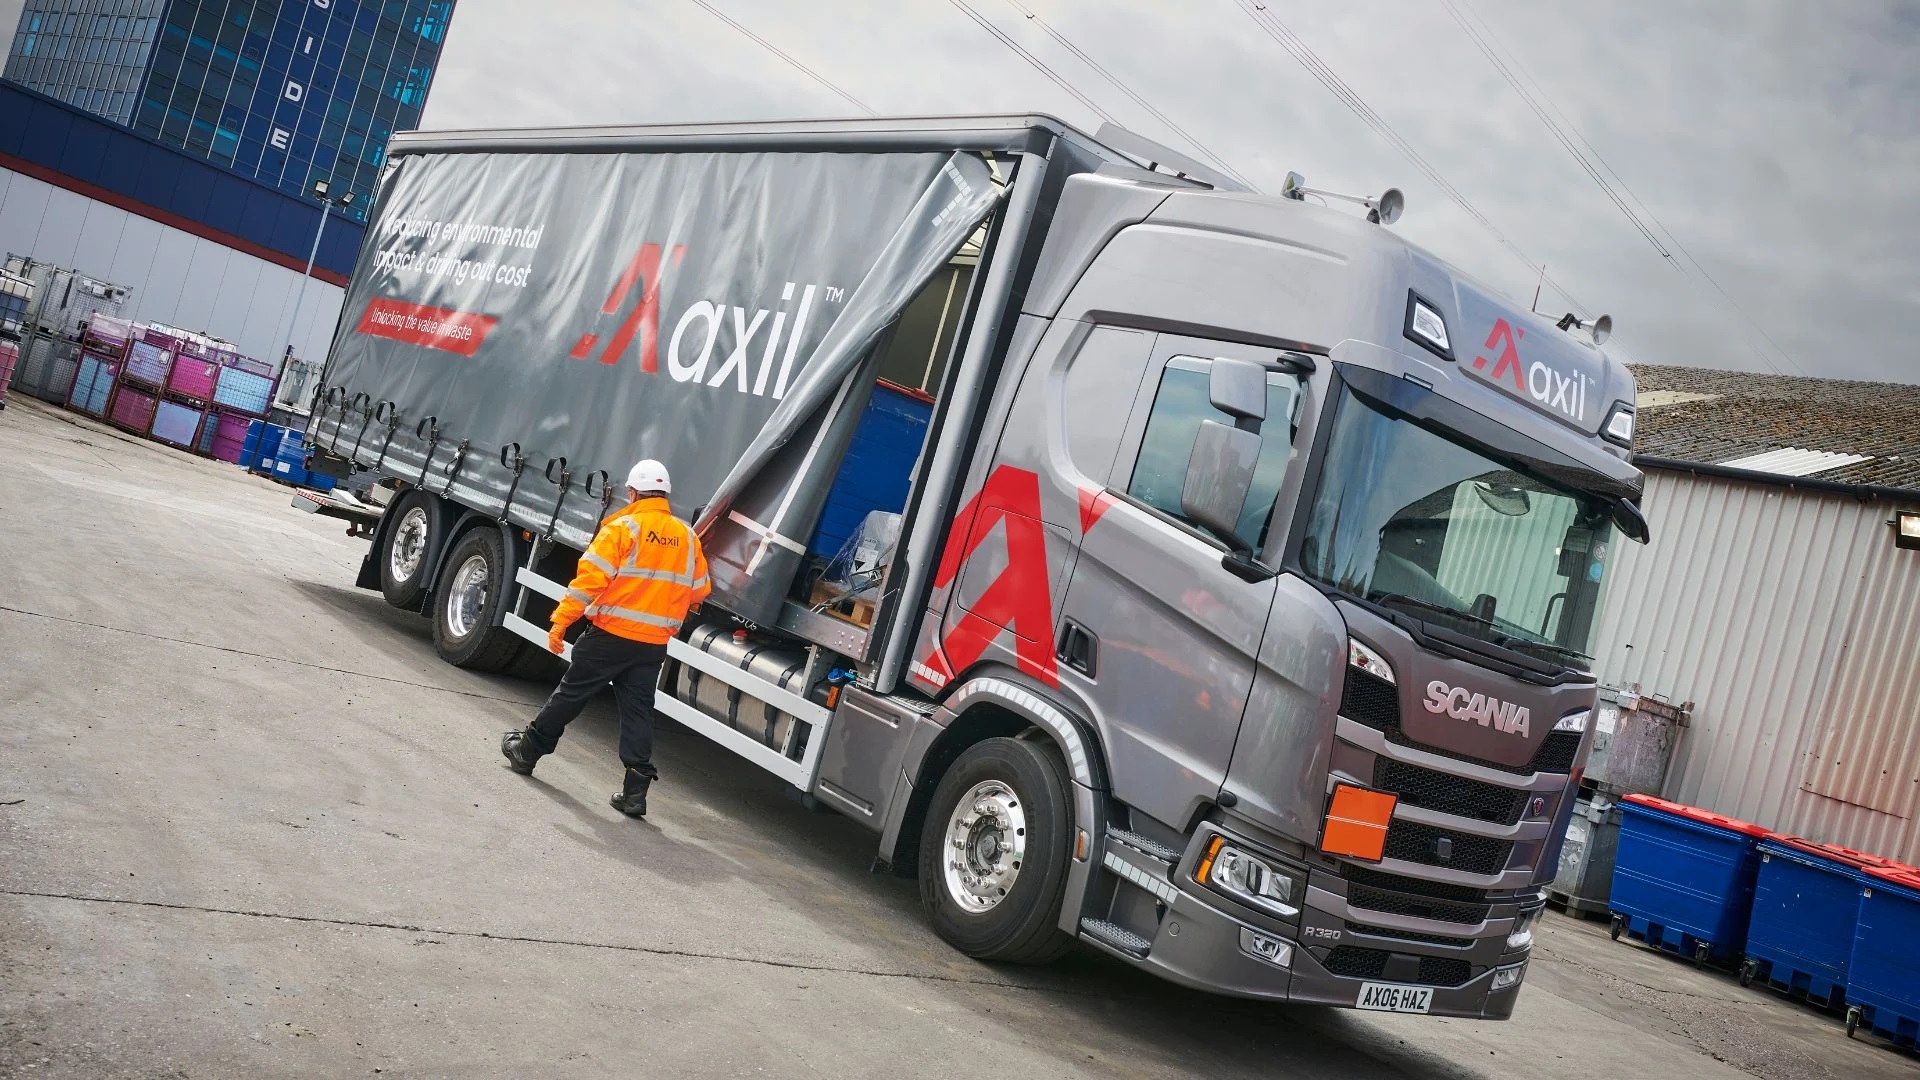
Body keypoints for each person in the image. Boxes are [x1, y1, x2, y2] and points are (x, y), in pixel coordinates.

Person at [500, 459, 709, 817]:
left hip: (610, 636)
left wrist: (561, 621)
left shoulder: (622, 528)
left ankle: (527, 751)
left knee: (571, 694)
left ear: (633, 493)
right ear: (665, 496)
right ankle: (635, 792)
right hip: (653, 644)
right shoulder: (688, 537)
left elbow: (589, 582)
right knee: (638, 711)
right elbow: (699, 590)